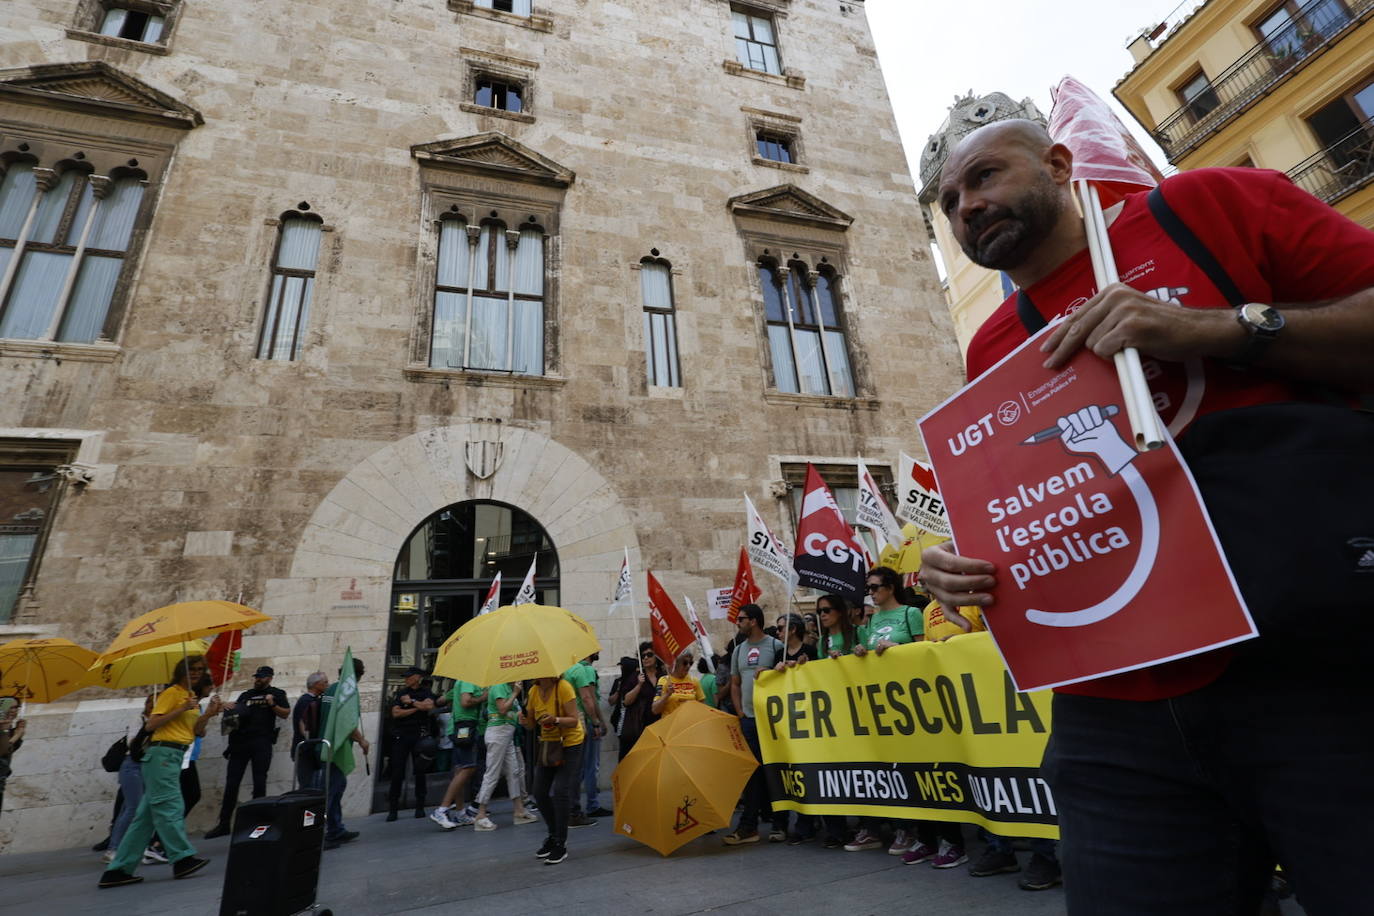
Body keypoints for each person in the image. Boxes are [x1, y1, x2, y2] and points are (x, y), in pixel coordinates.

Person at [924, 118, 1374, 914]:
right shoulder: (992, 346)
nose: (968, 205)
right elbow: (1045, 504)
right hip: (1114, 721)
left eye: (987, 176)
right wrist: (966, 564)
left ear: (1060, 165)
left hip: (1315, 666)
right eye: (951, 199)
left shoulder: (1209, 208)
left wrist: (1216, 329)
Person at [99, 655, 222, 888]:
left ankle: (118, 870)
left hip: (174, 754)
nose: (196, 672)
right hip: (162, 754)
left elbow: (197, 732)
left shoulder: (191, 697)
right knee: (171, 805)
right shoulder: (172, 693)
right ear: (180, 671)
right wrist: (182, 708)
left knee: (145, 819)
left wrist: (208, 714)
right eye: (191, 669)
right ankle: (181, 858)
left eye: (200, 669)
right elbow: (152, 725)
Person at [849, 566, 927, 859]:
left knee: (911, 770)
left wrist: (894, 647)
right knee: (888, 771)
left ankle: (915, 830)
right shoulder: (873, 620)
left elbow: (926, 654)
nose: (870, 592)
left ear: (891, 587)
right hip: (881, 706)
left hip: (910, 703)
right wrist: (862, 654)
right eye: (868, 588)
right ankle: (900, 827)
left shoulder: (910, 614)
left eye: (874, 587)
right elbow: (873, 656)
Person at [722, 604, 784, 847]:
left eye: (742, 619)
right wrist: (740, 712)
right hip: (748, 720)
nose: (738, 623)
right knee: (752, 774)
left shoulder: (775, 646)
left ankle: (779, 823)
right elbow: (735, 684)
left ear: (755, 621)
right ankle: (749, 827)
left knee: (775, 771)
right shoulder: (738, 650)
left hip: (772, 721)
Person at [206, 665, 289, 838]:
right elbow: (232, 714)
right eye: (257, 676)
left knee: (259, 782)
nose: (258, 679)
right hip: (240, 743)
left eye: (262, 676)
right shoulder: (245, 695)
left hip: (262, 742)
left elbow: (285, 713)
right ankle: (224, 823)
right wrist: (223, 705)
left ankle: (258, 823)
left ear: (270, 678)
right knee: (232, 783)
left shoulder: (277, 693)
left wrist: (272, 703)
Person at [522, 674, 587, 865]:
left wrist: (556, 719)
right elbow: (532, 724)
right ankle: (553, 835)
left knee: (561, 791)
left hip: (570, 743)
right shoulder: (533, 691)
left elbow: (574, 720)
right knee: (539, 792)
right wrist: (525, 722)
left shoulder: (564, 687)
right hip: (549, 745)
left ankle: (560, 842)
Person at [472, 680, 538, 831]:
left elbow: (511, 713)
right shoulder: (499, 686)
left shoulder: (508, 688)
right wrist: (515, 692)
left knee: (514, 772)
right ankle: (480, 815)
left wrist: (519, 715)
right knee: (492, 774)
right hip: (498, 733)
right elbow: (502, 709)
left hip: (507, 734)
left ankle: (519, 810)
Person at [318, 656, 368, 850]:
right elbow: (347, 724)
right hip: (334, 748)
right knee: (333, 790)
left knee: (335, 788)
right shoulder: (348, 693)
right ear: (358, 675)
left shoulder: (331, 689)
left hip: (324, 745)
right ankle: (328, 833)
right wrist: (362, 740)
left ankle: (336, 828)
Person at [429, 677, 485, 829]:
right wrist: (483, 697)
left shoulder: (462, 683)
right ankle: (442, 810)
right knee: (469, 767)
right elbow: (466, 701)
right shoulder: (468, 680)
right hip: (465, 726)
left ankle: (460, 812)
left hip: (462, 727)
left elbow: (443, 700)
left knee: (460, 769)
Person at [386, 666, 436, 821]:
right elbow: (396, 713)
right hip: (402, 736)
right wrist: (416, 708)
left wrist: (411, 702)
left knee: (420, 771)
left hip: (419, 736)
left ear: (417, 677)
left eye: (409, 676)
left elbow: (429, 706)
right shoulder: (401, 693)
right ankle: (393, 809)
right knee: (397, 772)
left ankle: (420, 806)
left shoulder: (425, 692)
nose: (406, 679)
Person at [563, 654, 609, 822]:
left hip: (575, 722)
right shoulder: (585, 670)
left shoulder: (568, 670)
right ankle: (592, 805)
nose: (598, 650)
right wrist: (598, 722)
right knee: (591, 766)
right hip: (587, 722)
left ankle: (571, 804)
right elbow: (589, 698)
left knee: (579, 768)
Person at [614, 643, 664, 761]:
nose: (646, 658)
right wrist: (639, 685)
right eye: (643, 656)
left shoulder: (663, 676)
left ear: (656, 657)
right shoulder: (635, 677)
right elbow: (626, 701)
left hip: (660, 727)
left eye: (649, 654)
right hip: (640, 728)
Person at [291, 671, 328, 788]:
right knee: (308, 788)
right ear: (316, 684)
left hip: (309, 751)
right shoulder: (306, 701)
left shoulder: (313, 700)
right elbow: (304, 727)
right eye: (325, 682)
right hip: (306, 751)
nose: (328, 685)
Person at [651, 649, 706, 718]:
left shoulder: (694, 681)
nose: (688, 666)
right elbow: (655, 710)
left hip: (688, 725)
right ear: (675, 663)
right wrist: (667, 694)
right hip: (670, 725)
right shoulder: (664, 680)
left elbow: (702, 707)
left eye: (691, 663)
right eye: (685, 663)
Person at [0, 701, 25, 825]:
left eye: (16, 707)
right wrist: (16, 735)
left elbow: (11, 750)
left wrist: (18, 732)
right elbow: (2, 751)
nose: (14, 710)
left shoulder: (8, 727)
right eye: (10, 707)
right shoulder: (3, 727)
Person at [816, 594, 856, 660]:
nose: (822, 614)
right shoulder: (822, 640)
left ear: (839, 612)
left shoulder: (857, 631)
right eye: (819, 611)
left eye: (826, 610)